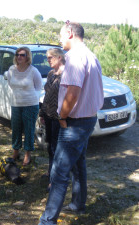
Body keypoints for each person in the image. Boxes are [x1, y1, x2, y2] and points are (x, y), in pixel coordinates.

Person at [39, 21, 104, 224]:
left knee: (59, 173)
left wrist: (62, 117)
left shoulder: (75, 57)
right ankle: (78, 204)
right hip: (87, 119)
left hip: (75, 123)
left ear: (69, 33)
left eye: (60, 34)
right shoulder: (90, 55)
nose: (59, 39)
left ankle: (47, 221)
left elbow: (73, 93)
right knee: (78, 165)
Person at [5, 47, 42, 166]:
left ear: (28, 57)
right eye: (17, 55)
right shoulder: (11, 69)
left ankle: (27, 155)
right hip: (16, 104)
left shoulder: (33, 71)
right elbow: (11, 84)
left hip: (30, 104)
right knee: (15, 129)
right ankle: (15, 151)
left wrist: (29, 97)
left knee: (29, 130)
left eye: (22, 55)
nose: (19, 57)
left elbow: (38, 87)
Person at [39, 48, 65, 190]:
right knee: (50, 146)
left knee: (57, 149)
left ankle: (55, 180)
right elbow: (47, 96)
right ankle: (50, 172)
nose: (48, 60)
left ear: (59, 57)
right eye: (47, 57)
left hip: (59, 117)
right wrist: (42, 113)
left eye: (51, 57)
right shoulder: (51, 74)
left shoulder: (66, 74)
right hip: (49, 115)